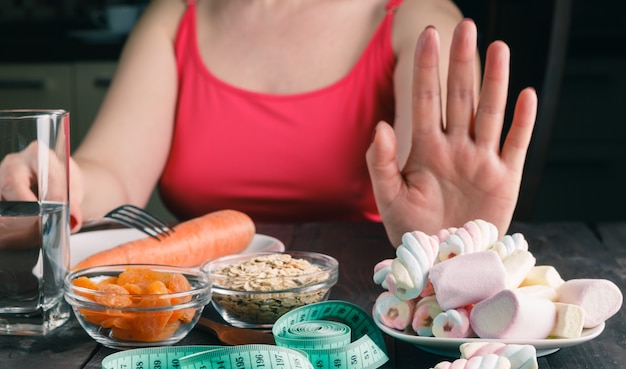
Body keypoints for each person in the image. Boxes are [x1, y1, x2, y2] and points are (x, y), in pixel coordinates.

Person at [0, 0, 537, 247]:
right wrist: (59, 183)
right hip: (201, 320)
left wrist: (448, 242)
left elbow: (439, 195)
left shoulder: (416, 21)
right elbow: (113, 173)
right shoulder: (176, 16)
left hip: (369, 309)